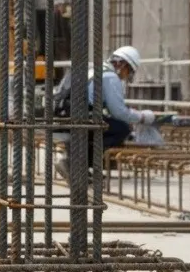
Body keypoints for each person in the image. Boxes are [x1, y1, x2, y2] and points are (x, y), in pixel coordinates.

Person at [53, 44, 154, 177]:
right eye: (129, 71)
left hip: (63, 115)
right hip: (79, 118)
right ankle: (75, 164)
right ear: (122, 65)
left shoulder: (96, 69)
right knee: (121, 128)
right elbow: (118, 112)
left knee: (108, 124)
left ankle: (76, 164)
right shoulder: (110, 77)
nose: (127, 75)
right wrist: (141, 117)